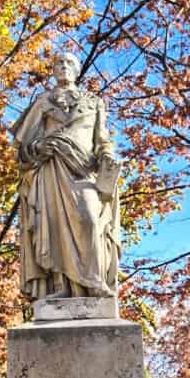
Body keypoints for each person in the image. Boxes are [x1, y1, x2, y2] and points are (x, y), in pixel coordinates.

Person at [11, 52, 121, 301]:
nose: (63, 66)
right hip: (52, 171)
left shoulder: (94, 102)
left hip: (83, 170)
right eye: (58, 63)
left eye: (69, 62)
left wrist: (107, 157)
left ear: (77, 69)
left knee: (90, 219)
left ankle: (94, 282)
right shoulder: (42, 103)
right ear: (53, 70)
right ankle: (60, 285)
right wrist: (39, 148)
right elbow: (22, 147)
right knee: (54, 226)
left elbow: (102, 141)